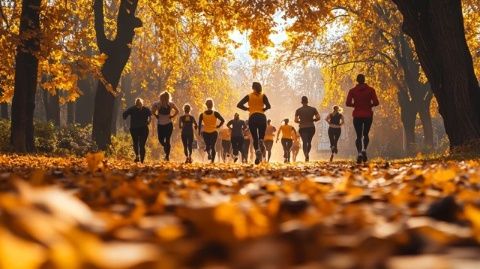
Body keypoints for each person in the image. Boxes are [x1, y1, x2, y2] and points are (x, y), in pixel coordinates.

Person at [346, 74, 379, 164]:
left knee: (358, 136)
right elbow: (376, 102)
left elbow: (347, 103)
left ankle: (359, 152)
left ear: (357, 80)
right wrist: (369, 105)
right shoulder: (371, 90)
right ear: (364, 80)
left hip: (357, 115)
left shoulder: (352, 91)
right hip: (368, 114)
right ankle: (364, 149)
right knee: (366, 134)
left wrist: (355, 105)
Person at [237, 82, 272, 164]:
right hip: (262, 117)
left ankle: (257, 151)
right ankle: (261, 143)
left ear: (253, 88)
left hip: (252, 117)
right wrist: (263, 109)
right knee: (261, 137)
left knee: (254, 138)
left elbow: (239, 104)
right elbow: (269, 106)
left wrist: (247, 109)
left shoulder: (249, 96)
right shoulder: (263, 96)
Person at [151, 91, 179, 161]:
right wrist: (156, 115)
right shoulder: (157, 104)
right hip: (162, 125)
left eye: (164, 98)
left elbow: (177, 111)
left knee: (167, 140)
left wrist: (172, 116)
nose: (163, 99)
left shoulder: (170, 104)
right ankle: (166, 149)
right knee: (161, 140)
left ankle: (167, 156)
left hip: (167, 125)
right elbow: (152, 111)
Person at [122, 98, 152, 163]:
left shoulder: (134, 109)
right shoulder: (141, 109)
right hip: (139, 129)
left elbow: (124, 115)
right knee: (140, 144)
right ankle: (140, 159)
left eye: (139, 104)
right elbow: (150, 117)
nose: (138, 105)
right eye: (138, 104)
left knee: (138, 144)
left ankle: (139, 158)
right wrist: (148, 122)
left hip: (138, 128)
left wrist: (149, 122)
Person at [198, 99, 225, 163]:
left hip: (205, 133)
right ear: (212, 105)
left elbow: (199, 124)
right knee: (213, 146)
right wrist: (218, 126)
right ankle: (212, 161)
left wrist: (199, 132)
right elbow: (223, 120)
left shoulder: (202, 115)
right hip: (214, 132)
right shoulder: (215, 113)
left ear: (206, 105)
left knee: (207, 146)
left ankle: (209, 154)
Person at [294, 96, 320, 162]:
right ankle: (307, 153)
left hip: (302, 128)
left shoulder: (298, 110)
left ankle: (306, 155)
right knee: (309, 142)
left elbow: (295, 120)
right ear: (307, 101)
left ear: (302, 102)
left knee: (304, 142)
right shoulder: (313, 109)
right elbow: (318, 117)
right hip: (311, 127)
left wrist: (300, 121)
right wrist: (313, 120)